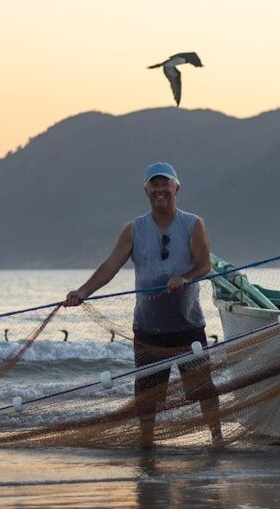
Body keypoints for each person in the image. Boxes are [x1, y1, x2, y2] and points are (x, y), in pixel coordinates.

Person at [64, 162, 223, 448]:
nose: (160, 190)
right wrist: (83, 292)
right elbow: (110, 266)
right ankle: (146, 448)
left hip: (188, 327)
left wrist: (184, 278)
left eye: (165, 184)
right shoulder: (134, 229)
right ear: (146, 190)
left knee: (203, 390)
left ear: (177, 188)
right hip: (149, 330)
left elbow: (204, 265)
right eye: (154, 184)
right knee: (148, 397)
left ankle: (217, 439)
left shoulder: (193, 224)